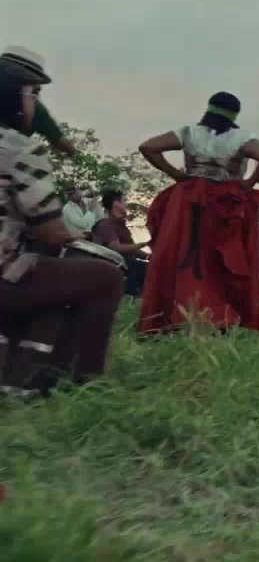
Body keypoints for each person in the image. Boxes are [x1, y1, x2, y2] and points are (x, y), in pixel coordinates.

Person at [0, 46, 123, 395]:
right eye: (33, 94)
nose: (36, 104)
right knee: (105, 276)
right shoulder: (20, 148)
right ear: (15, 96)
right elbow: (51, 232)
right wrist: (72, 234)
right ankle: (82, 383)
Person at [137, 91, 259, 335]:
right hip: (225, 200)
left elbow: (148, 147)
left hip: (189, 199)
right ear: (234, 114)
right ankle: (222, 316)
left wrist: (176, 174)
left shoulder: (189, 133)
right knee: (223, 258)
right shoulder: (241, 137)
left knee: (185, 254)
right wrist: (248, 182)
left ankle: (176, 315)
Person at [91, 189, 150, 297]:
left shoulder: (120, 225)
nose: (125, 204)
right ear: (116, 204)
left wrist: (149, 257)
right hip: (116, 267)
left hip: (127, 264)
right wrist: (144, 244)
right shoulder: (105, 224)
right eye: (123, 201)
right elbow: (116, 247)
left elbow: (133, 250)